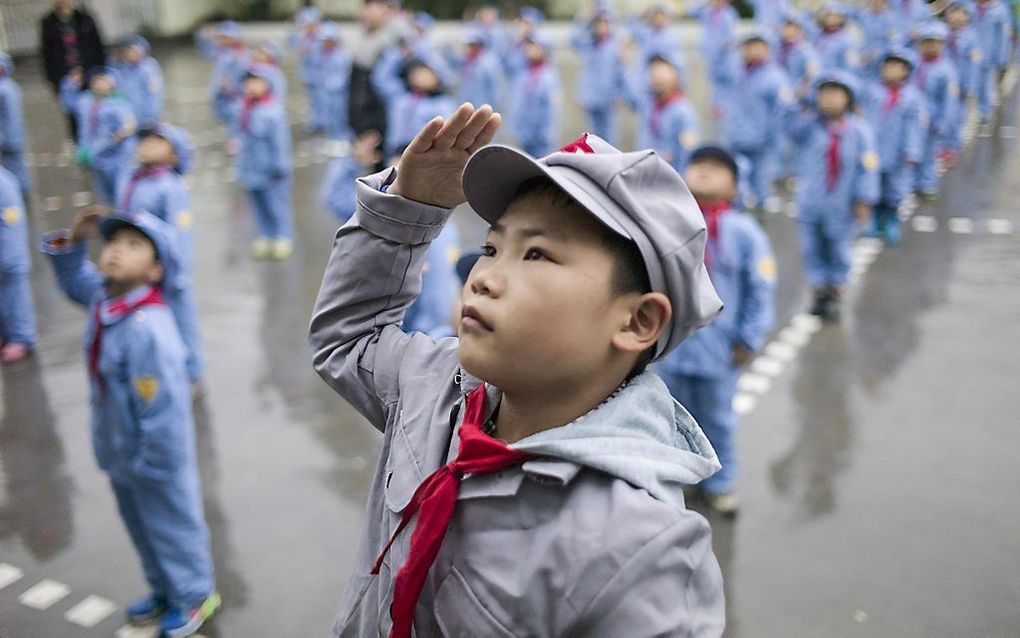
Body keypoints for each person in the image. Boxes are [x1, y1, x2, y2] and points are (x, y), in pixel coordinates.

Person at [309, 103, 726, 637]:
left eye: (536, 255)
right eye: (491, 247)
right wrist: (409, 210)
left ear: (637, 319)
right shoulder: (436, 386)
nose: (482, 277)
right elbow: (347, 339)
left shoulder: (640, 551)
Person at [39, 209, 220, 637]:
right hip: (121, 450)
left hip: (156, 459)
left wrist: (154, 466)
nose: (117, 250)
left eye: (134, 245)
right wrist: (73, 242)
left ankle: (195, 596)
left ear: (156, 270)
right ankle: (164, 588)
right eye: (113, 242)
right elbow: (73, 282)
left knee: (171, 526)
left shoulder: (150, 329)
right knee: (142, 528)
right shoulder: (108, 300)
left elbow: (165, 412)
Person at [657, 145, 776, 516]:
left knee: (717, 421)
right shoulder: (667, 224)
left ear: (735, 186)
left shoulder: (745, 233)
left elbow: (761, 288)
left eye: (717, 169)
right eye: (698, 166)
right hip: (669, 349)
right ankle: (672, 482)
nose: (705, 173)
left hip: (719, 351)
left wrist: (748, 338)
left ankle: (719, 484)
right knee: (665, 418)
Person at [116, 123, 204, 384]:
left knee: (181, 319)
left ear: (175, 155)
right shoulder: (131, 177)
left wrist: (176, 273)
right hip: (141, 268)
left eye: (157, 142)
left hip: (166, 269)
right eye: (144, 141)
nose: (146, 146)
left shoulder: (170, 187)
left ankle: (192, 373)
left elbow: (180, 234)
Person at [788, 71, 879, 320]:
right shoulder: (810, 127)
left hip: (842, 204)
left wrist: (864, 198)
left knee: (838, 248)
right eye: (823, 94)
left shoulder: (859, 131)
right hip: (811, 202)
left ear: (848, 98)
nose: (828, 100)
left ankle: (836, 291)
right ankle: (819, 291)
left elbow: (867, 167)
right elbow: (789, 127)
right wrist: (799, 101)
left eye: (835, 94)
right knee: (811, 248)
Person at [716, 31, 793, 210]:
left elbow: (782, 111)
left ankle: (760, 220)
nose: (752, 51)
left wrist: (775, 140)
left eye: (757, 46)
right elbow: (718, 72)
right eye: (748, 46)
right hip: (736, 137)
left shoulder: (774, 76)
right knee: (736, 184)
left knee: (760, 188)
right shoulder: (738, 71)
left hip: (761, 141)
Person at [860, 48, 926, 244]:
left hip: (898, 153)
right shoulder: (873, 91)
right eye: (888, 66)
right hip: (873, 150)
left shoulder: (912, 97)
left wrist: (912, 150)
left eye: (897, 67)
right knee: (872, 185)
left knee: (894, 188)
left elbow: (915, 126)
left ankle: (890, 219)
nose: (891, 71)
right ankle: (873, 219)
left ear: (906, 71)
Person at [235, 66, 294, 261]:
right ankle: (265, 235)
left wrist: (280, 167)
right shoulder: (244, 108)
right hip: (251, 169)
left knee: (276, 205)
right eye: (248, 82)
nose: (251, 86)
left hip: (271, 170)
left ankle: (283, 236)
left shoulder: (272, 111)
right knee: (258, 204)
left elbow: (280, 142)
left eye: (256, 82)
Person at [40, 0, 106, 141]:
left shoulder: (85, 19)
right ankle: (80, 146)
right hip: (66, 79)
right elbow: (47, 54)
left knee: (95, 110)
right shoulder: (48, 23)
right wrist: (53, 81)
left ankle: (97, 142)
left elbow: (97, 47)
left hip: (88, 75)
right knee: (73, 115)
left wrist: (100, 73)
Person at [372, 55, 457, 158]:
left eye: (426, 73)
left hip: (422, 155)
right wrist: (399, 53)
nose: (421, 76)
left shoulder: (442, 104)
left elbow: (444, 134)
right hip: (394, 154)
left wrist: (422, 48)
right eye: (417, 72)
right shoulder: (399, 97)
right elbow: (380, 78)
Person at [75, 66, 137, 205]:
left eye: (104, 81)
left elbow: (129, 124)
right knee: (105, 196)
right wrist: (83, 149)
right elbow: (82, 126)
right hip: (95, 156)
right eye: (97, 81)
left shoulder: (119, 102)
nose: (100, 85)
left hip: (118, 156)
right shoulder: (85, 101)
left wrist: (117, 137)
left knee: (122, 192)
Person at [630, 56, 700, 175]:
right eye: (653, 73)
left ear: (676, 76)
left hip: (669, 177)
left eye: (662, 73)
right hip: (644, 173)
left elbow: (688, 152)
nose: (656, 78)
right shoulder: (648, 105)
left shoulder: (683, 112)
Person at [912, 21, 959, 199]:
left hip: (932, 118)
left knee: (928, 153)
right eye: (926, 42)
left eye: (935, 42)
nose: (930, 46)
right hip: (914, 117)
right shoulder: (915, 63)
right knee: (913, 151)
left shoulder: (946, 70)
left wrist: (942, 123)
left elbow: (949, 101)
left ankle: (927, 184)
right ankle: (914, 183)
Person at [569, 9, 626, 144]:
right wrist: (584, 21)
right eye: (598, 23)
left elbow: (620, 75)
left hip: (608, 100)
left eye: (605, 23)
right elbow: (572, 40)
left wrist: (620, 94)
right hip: (591, 99)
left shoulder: (615, 47)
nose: (601, 27)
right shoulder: (588, 45)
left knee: (610, 139)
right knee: (593, 139)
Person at [0, 165, 35, 363]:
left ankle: (22, 337)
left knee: (14, 294)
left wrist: (7, 259)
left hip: (8, 258)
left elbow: (11, 224)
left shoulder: (4, 185)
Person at [508, 35, 560, 157]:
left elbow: (552, 108)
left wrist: (547, 133)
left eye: (534, 47)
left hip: (541, 137)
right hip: (525, 133)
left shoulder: (549, 76)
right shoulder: (523, 71)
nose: (528, 50)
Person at [945, 2, 983, 153]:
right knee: (945, 115)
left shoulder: (971, 37)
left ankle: (953, 147)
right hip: (946, 83)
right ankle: (943, 146)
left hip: (961, 83)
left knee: (957, 116)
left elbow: (974, 64)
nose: (956, 16)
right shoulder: (942, 34)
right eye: (953, 12)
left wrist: (970, 86)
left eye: (961, 13)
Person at [970, 0, 1013, 122]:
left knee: (986, 86)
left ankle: (985, 114)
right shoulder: (970, 7)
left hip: (989, 55)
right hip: (972, 55)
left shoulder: (1000, 9)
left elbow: (1003, 36)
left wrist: (1002, 57)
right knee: (974, 86)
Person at [310, 24, 352, 141]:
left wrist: (336, 84)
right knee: (327, 114)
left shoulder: (342, 56)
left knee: (339, 116)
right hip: (324, 91)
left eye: (328, 40)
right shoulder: (319, 55)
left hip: (338, 93)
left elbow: (345, 75)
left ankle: (342, 138)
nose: (325, 43)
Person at [0, 53, 32, 201]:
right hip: (14, 138)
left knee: (13, 173)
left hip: (9, 140)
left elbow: (9, 118)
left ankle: (19, 199)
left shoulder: (4, 89)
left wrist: (5, 140)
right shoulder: (10, 86)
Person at [114, 36, 164, 129]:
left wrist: (152, 117)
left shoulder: (149, 68)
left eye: (134, 50)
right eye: (127, 51)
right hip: (128, 118)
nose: (131, 54)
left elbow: (154, 94)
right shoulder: (122, 69)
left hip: (147, 118)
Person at [454, 29, 505, 115]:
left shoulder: (489, 63)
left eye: (470, 45)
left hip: (484, 110)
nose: (467, 48)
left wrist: (492, 110)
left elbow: (497, 89)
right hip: (468, 109)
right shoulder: (467, 60)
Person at [815, 4, 861, 74]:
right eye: (828, 16)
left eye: (835, 16)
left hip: (836, 80)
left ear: (840, 19)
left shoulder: (845, 39)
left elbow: (851, 66)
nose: (831, 19)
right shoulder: (819, 36)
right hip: (821, 77)